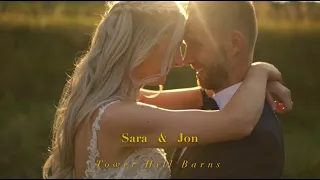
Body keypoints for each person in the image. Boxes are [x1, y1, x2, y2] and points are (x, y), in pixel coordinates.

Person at [42, 1, 288, 179]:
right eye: (175, 45)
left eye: (192, 44)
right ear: (145, 46)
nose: (182, 59)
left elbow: (197, 98)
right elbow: (235, 120)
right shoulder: (119, 117)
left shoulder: (112, 103)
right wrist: (260, 70)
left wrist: (254, 82)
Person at [141, 1, 289, 179]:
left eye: (196, 44)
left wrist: (260, 71)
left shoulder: (259, 139)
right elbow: (144, 98)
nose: (186, 59)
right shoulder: (208, 101)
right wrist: (261, 70)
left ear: (234, 44)